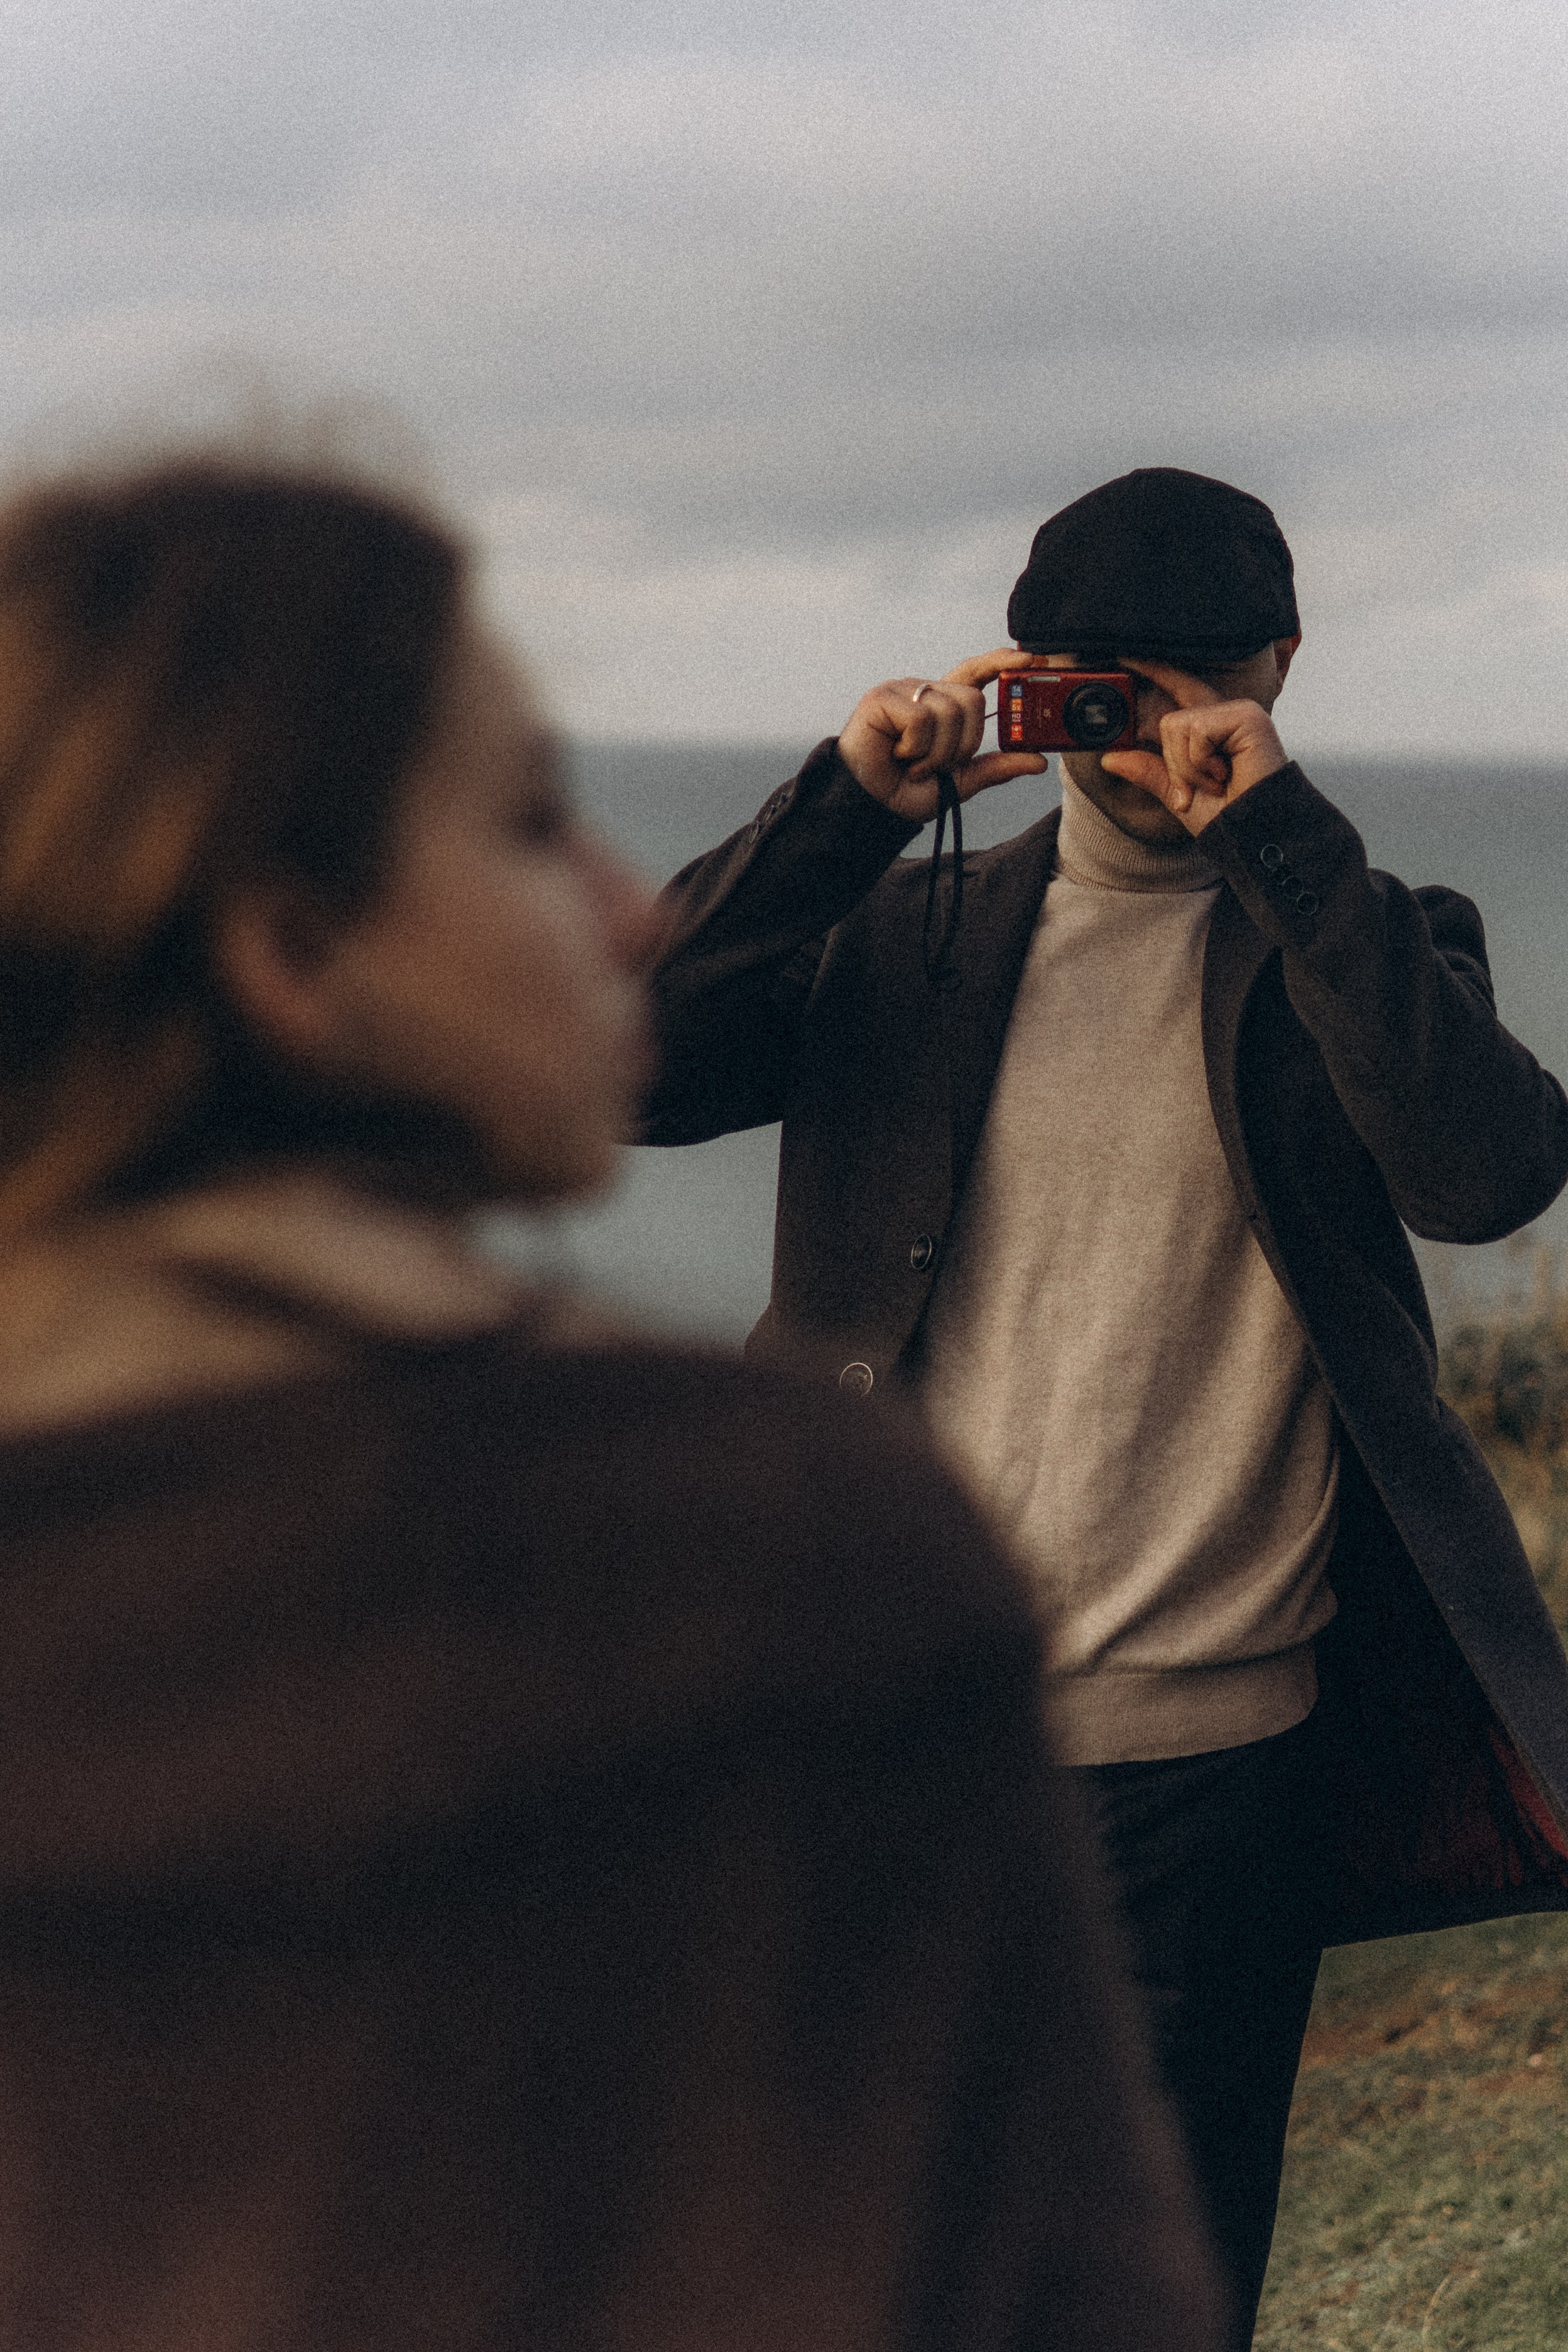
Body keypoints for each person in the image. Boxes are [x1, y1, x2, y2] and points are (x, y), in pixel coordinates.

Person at [0, 455, 1224, 2351]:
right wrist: (848, 814)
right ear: (287, 953)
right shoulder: (770, 1538)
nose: (615, 906)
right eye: (527, 819)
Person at [645, 466, 1568, 2346]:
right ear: (1024, 682)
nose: (1128, 738)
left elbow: (1486, 1174)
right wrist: (848, 811)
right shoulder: (905, 936)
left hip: (1221, 1774)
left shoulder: (1370, 940)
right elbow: (620, 1059)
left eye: (1176, 691)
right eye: (1090, 691)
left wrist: (1287, 845)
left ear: (1278, 672)